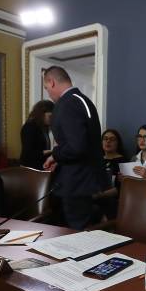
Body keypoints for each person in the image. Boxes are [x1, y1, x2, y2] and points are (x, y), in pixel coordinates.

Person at [42, 66, 104, 230]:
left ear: (52, 82)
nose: (48, 93)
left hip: (76, 182)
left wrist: (55, 155)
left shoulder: (68, 103)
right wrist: (58, 157)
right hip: (85, 179)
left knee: (76, 234)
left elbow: (77, 147)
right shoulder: (83, 100)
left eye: (47, 88)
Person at [20, 100, 55, 170]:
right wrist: (50, 151)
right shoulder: (29, 127)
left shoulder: (42, 127)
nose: (52, 120)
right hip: (30, 168)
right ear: (41, 114)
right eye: (50, 116)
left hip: (39, 166)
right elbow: (28, 153)